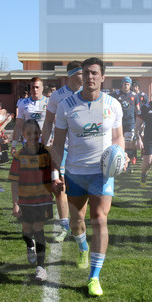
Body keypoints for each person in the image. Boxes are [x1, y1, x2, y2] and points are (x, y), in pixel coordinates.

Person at [51, 57, 124, 297]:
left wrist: (120, 156)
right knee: (77, 220)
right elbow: (58, 142)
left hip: (102, 174)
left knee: (100, 219)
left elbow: (118, 138)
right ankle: (83, 248)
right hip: (74, 172)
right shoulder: (66, 105)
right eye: (86, 72)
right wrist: (55, 171)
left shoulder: (113, 105)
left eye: (94, 72)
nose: (89, 77)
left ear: (102, 77)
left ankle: (94, 277)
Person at [41, 61, 84, 243]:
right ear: (72, 75)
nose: (86, 77)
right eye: (82, 73)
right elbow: (49, 121)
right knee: (59, 188)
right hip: (61, 147)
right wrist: (44, 144)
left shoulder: (88, 94)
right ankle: (64, 226)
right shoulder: (57, 96)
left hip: (82, 149)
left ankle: (78, 224)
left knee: (80, 189)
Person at [10, 119, 54, 282]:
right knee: (27, 230)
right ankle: (30, 245)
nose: (33, 136)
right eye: (29, 133)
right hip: (25, 201)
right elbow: (14, 181)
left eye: (36, 133)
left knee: (38, 229)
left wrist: (57, 182)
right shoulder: (19, 155)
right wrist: (15, 203)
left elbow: (54, 172)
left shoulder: (46, 153)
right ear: (23, 135)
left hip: (43, 199)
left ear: (40, 133)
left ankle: (41, 268)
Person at [13, 77, 48, 145]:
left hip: (45, 143)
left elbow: (56, 123)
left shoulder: (49, 102)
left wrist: (54, 139)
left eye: (37, 87)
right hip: (28, 143)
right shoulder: (23, 103)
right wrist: (14, 144)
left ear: (42, 88)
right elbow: (18, 125)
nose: (35, 90)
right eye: (33, 87)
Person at [113, 77, 139, 166]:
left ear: (130, 85)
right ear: (122, 84)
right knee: (119, 141)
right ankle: (121, 158)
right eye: (124, 84)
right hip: (119, 122)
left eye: (128, 84)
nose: (126, 86)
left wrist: (140, 121)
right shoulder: (116, 94)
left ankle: (129, 159)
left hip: (130, 122)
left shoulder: (134, 95)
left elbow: (137, 109)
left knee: (128, 142)